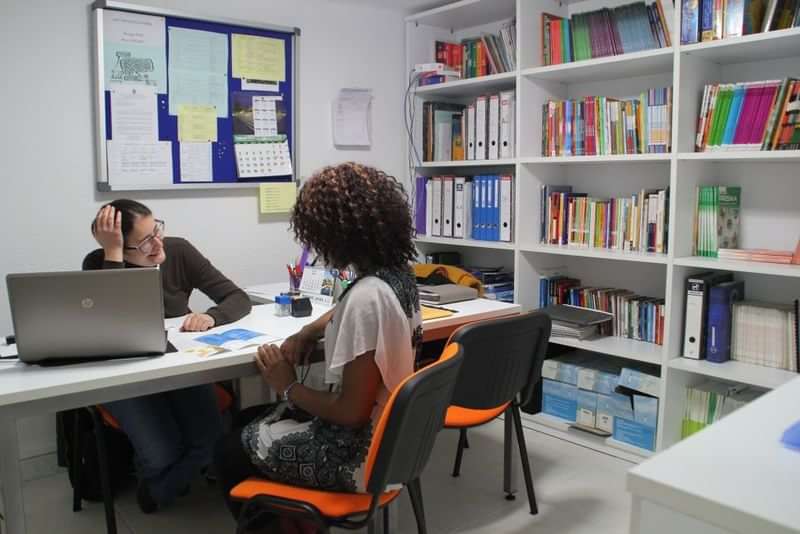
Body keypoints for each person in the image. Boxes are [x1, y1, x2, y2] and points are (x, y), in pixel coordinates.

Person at [214, 163, 422, 533]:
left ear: (335, 235)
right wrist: (309, 330)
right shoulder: (397, 277)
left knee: (228, 451)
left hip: (356, 455)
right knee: (250, 419)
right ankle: (293, 518)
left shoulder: (367, 298)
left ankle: (289, 524)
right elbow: (348, 309)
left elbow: (349, 413)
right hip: (398, 440)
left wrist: (288, 384)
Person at [84, 199, 251, 513]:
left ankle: (156, 488)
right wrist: (114, 255)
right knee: (163, 452)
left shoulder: (178, 252)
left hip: (177, 367)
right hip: (125, 374)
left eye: (156, 229)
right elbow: (112, 324)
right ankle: (158, 471)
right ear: (121, 247)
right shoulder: (100, 263)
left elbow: (236, 297)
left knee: (209, 442)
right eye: (145, 241)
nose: (157, 242)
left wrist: (213, 316)